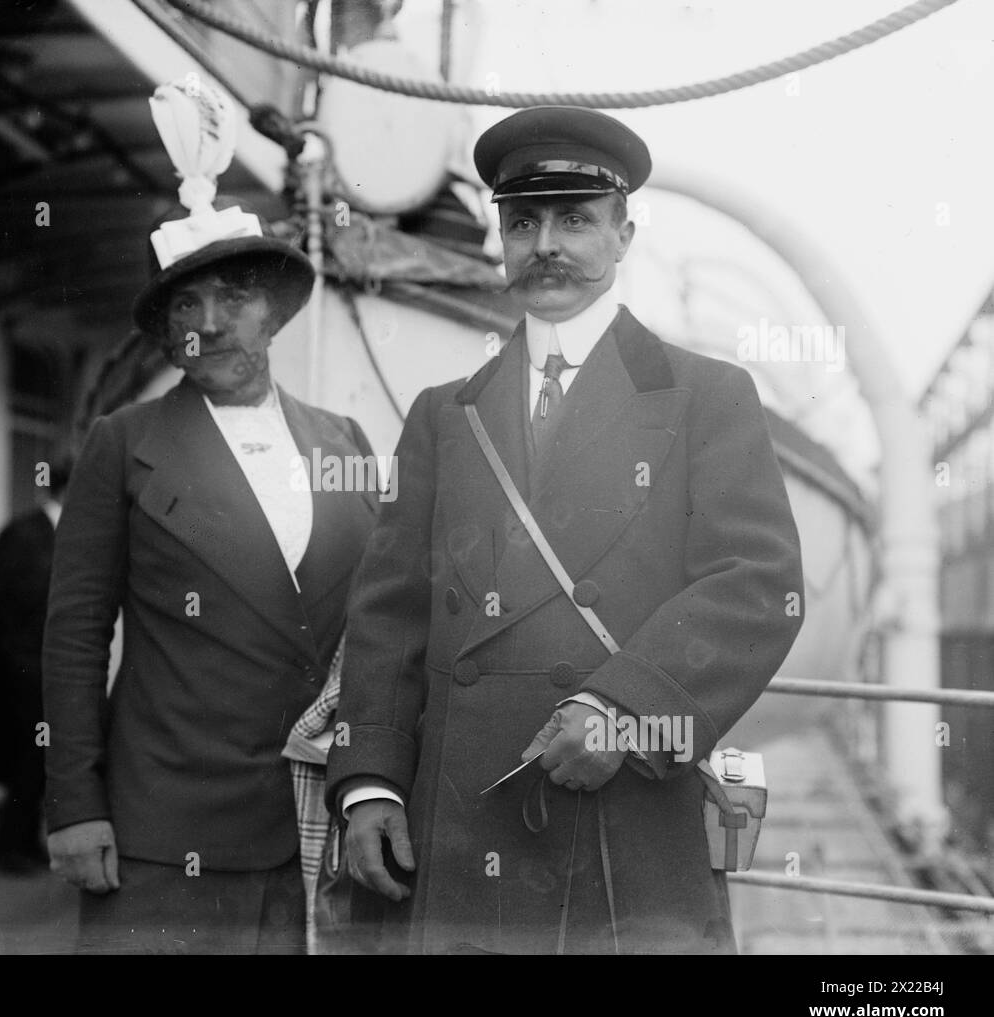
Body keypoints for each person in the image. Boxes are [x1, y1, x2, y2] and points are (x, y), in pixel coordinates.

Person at [325, 106, 805, 954]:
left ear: (623, 234)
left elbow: (760, 584)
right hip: (461, 819)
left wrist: (624, 711)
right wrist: (368, 780)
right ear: (501, 238)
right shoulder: (446, 415)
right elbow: (389, 614)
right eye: (523, 222)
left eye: (575, 219)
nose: (546, 244)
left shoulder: (705, 397)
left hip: (624, 814)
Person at [41, 194, 378, 954]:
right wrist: (74, 803)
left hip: (320, 829)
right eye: (187, 303)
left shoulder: (344, 439)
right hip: (166, 834)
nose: (213, 321)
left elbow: (383, 625)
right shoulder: (124, 443)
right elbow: (74, 636)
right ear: (167, 335)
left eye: (235, 295)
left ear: (274, 312)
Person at [0, 459, 70, 872]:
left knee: (42, 757)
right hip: (22, 665)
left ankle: (25, 841)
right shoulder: (25, 532)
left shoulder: (67, 535)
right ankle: (8, 846)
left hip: (49, 663)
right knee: (26, 755)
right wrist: (20, 636)